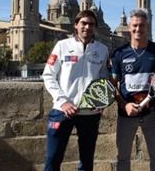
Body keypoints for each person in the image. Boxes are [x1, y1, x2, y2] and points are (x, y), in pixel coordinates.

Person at [42, 10, 109, 171]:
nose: (87, 27)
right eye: (83, 23)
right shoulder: (62, 46)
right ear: (75, 25)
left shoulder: (102, 49)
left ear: (96, 27)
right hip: (62, 111)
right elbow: (48, 75)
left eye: (91, 24)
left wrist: (101, 101)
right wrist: (63, 102)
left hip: (90, 114)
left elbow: (104, 80)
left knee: (86, 162)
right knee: (52, 159)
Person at [110, 8, 155, 171]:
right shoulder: (119, 53)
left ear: (147, 27)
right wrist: (124, 105)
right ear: (129, 27)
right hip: (126, 113)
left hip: (152, 112)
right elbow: (112, 85)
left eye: (142, 25)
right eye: (135, 25)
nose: (138, 29)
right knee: (123, 158)